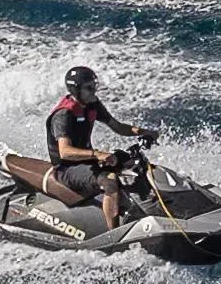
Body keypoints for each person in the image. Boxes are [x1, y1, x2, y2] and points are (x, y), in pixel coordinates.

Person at [43, 63, 154, 227]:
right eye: (89, 88)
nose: (94, 91)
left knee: (132, 163)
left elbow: (117, 126)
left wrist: (145, 132)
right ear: (76, 90)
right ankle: (114, 233)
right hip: (66, 169)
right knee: (110, 181)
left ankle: (151, 207)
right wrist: (97, 154)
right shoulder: (63, 115)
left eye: (94, 86)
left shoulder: (92, 104)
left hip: (87, 161)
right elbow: (65, 151)